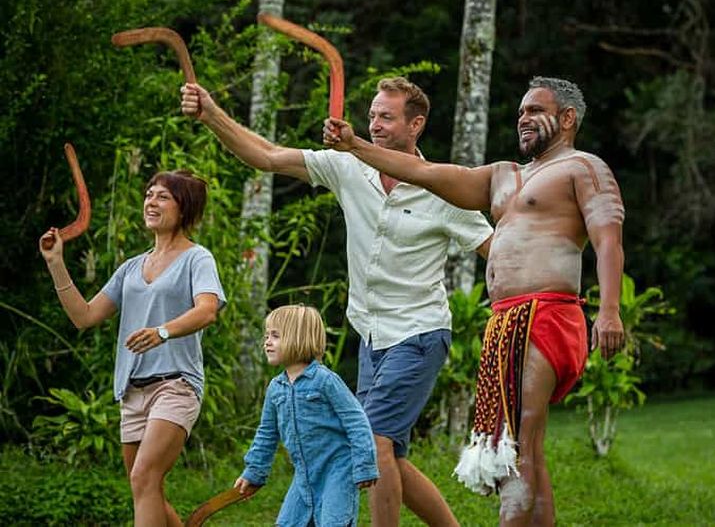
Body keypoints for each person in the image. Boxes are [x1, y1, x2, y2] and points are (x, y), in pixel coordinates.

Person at [181, 76, 492, 526]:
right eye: (372, 116)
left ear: (416, 124)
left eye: (386, 117)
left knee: (374, 441)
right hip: (370, 336)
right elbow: (266, 156)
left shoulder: (442, 188)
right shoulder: (349, 169)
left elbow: (495, 250)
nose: (375, 125)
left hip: (420, 332)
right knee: (391, 457)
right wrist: (210, 113)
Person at [323, 76, 626, 526]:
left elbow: (608, 239)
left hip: (545, 313)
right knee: (522, 445)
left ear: (567, 119)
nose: (523, 118)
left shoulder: (583, 168)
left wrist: (610, 310)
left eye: (535, 110)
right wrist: (355, 147)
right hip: (506, 321)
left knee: (519, 442)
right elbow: (426, 173)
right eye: (520, 110)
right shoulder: (506, 175)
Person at [39, 169, 226, 526]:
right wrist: (56, 264)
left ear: (183, 208)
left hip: (176, 385)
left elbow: (207, 310)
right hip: (132, 392)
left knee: (144, 478)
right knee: (145, 488)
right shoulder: (130, 268)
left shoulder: (197, 258)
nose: (150, 202)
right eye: (149, 194)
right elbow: (85, 315)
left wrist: (163, 332)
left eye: (162, 196)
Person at [234, 304, 378, 526]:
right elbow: (267, 434)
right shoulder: (276, 388)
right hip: (304, 475)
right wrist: (254, 472)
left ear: (298, 338)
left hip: (337, 470)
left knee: (333, 522)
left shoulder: (325, 381)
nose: (267, 342)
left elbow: (356, 421)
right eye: (266, 336)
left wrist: (364, 465)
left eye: (275, 336)